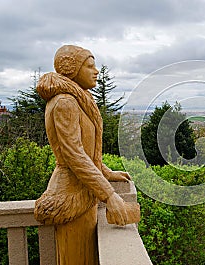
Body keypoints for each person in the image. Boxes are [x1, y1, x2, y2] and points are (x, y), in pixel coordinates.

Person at [34, 45, 130, 265]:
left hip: (84, 189)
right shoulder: (65, 103)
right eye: (89, 66)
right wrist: (109, 195)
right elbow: (74, 155)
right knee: (75, 256)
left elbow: (86, 150)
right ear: (72, 70)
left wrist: (106, 172)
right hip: (71, 193)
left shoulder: (79, 99)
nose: (96, 71)